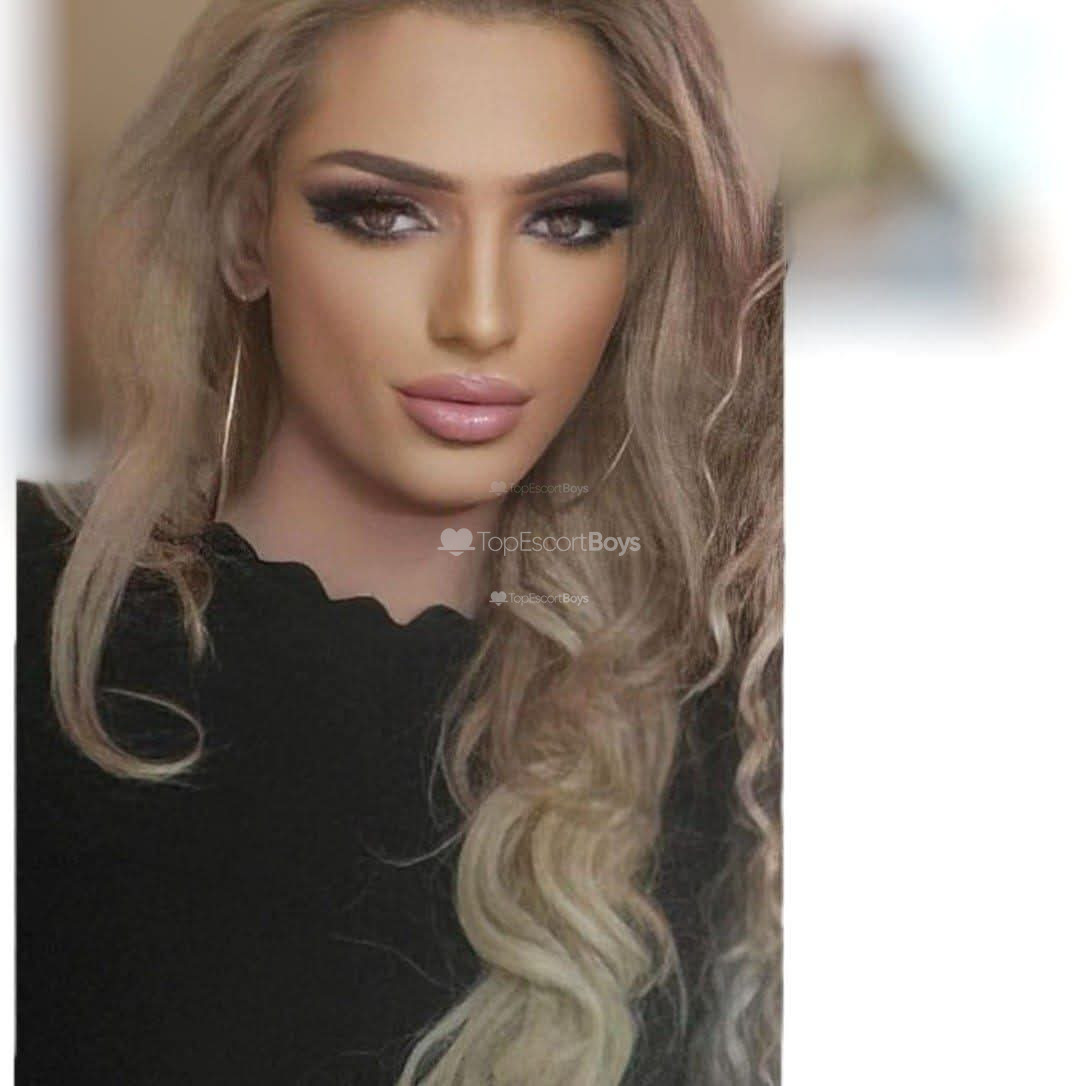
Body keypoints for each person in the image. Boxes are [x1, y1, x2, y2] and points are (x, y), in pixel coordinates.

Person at [16, 1, 784, 1083]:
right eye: (386, 213)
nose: (480, 316)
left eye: (567, 221)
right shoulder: (34, 628)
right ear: (245, 233)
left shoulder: (737, 743)